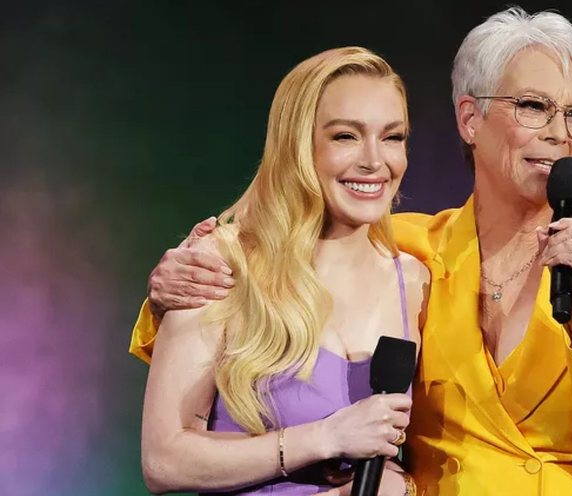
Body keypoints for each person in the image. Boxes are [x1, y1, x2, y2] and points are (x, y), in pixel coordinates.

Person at [133, 8, 572, 496]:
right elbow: (277, 250)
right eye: (534, 106)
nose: (559, 133)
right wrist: (164, 292)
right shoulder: (411, 249)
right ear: (470, 119)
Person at [138, 46, 428, 496]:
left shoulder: (414, 280)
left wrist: (402, 485)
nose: (375, 161)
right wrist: (325, 437)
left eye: (392, 137)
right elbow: (164, 461)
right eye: (346, 136)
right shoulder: (220, 265)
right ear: (297, 145)